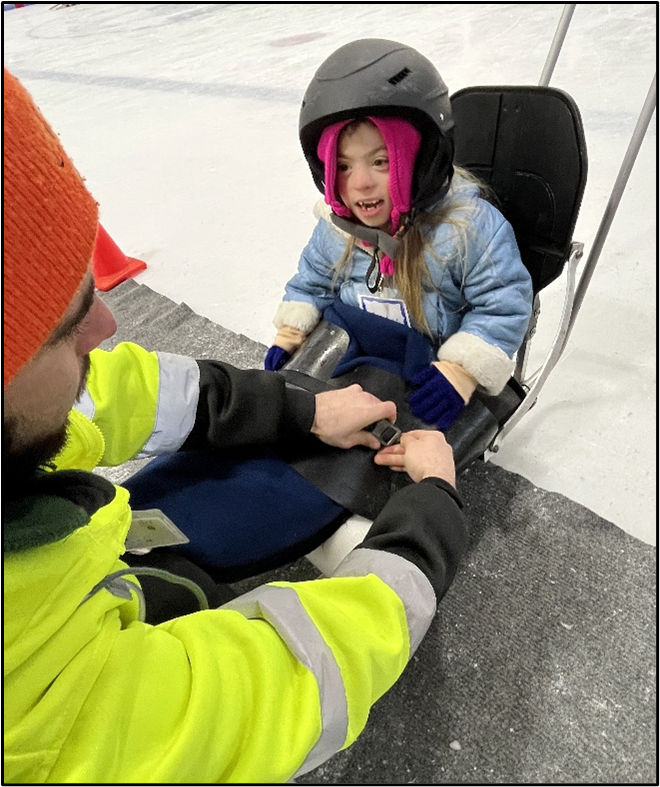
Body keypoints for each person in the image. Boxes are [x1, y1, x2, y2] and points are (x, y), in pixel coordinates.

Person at [4, 67, 469, 783]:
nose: (108, 324)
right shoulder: (39, 720)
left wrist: (297, 404)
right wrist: (431, 509)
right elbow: (294, 680)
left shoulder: (21, 394)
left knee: (177, 563)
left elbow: (119, 390)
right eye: (66, 326)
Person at [265, 38, 534, 434]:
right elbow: (313, 281)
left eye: (380, 161)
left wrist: (461, 370)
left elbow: (503, 305)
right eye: (342, 165)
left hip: (430, 370)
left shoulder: (469, 230)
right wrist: (292, 329)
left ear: (420, 161)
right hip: (355, 353)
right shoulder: (335, 230)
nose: (359, 184)